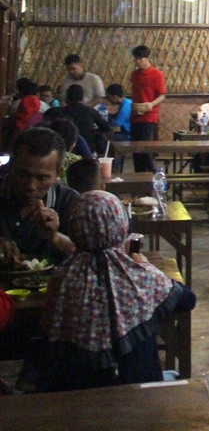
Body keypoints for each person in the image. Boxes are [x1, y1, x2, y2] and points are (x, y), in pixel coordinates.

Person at [40, 190, 196, 391]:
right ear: (120, 225)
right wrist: (146, 266)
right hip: (138, 389)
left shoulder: (61, 277)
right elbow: (187, 299)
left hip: (76, 393)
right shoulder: (138, 274)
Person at [0, 128, 77, 265]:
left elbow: (88, 256)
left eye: (42, 178)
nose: (31, 186)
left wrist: (55, 237)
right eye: (23, 175)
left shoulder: (70, 203)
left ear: (59, 173)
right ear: (11, 166)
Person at [129, 45, 166, 173]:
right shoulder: (134, 74)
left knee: (144, 148)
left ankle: (154, 174)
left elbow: (162, 95)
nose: (138, 62)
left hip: (149, 116)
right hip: (135, 115)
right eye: (136, 59)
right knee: (135, 149)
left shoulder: (157, 74)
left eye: (140, 59)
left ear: (147, 58)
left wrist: (151, 104)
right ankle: (138, 177)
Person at [55, 84, 110, 156]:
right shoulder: (91, 111)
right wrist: (94, 131)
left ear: (67, 97)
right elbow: (107, 129)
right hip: (88, 151)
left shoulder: (57, 112)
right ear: (83, 97)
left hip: (63, 150)